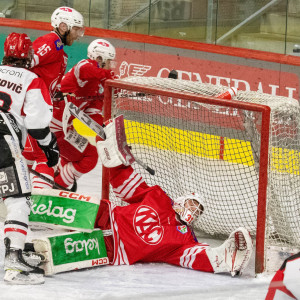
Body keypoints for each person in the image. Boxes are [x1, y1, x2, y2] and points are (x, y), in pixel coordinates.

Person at [93, 117, 253, 275]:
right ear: (181, 201)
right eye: (192, 204)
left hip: (112, 249)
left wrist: (222, 257)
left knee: (68, 250)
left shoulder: (185, 238)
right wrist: (113, 153)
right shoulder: (159, 197)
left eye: (198, 211)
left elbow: (194, 256)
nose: (194, 211)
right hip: (104, 214)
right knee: (68, 207)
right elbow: (124, 184)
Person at [0, 32, 59, 284]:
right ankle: (13, 258)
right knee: (18, 199)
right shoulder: (32, 79)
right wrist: (51, 148)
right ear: (28, 56)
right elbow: (37, 126)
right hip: (3, 139)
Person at [22, 6, 84, 189]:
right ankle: (40, 203)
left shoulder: (59, 51)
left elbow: (44, 80)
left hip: (32, 110)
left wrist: (60, 95)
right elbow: (23, 62)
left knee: (29, 154)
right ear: (63, 26)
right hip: (29, 110)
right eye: (76, 29)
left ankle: (12, 191)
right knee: (45, 156)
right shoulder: (51, 42)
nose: (78, 35)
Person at [51, 38, 116, 189]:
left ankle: (60, 179)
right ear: (98, 58)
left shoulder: (96, 86)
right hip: (54, 129)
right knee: (90, 157)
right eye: (108, 61)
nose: (110, 66)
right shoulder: (85, 66)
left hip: (64, 129)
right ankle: (57, 187)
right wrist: (113, 79)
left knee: (76, 157)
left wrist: (102, 128)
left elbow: (92, 114)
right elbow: (94, 73)